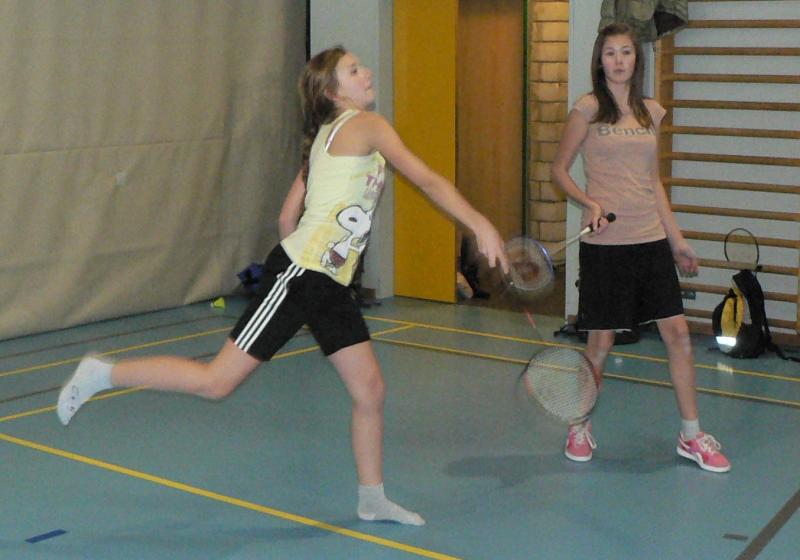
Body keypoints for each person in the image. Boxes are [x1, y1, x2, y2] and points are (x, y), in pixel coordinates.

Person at [57, 46, 510, 524]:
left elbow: (285, 217)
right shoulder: (366, 126)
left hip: (326, 283)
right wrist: (478, 223)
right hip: (303, 276)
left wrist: (317, 264)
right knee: (217, 382)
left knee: (370, 390)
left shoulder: (325, 138)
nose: (366, 73)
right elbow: (428, 181)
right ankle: (102, 374)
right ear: (333, 92)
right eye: (354, 70)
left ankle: (372, 498)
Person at [549, 23, 730, 473]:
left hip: (650, 240)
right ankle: (579, 426)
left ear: (637, 58)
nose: (618, 60)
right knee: (601, 342)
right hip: (606, 245)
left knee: (678, 335)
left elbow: (654, 182)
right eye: (610, 52)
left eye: (626, 52)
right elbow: (559, 170)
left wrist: (676, 239)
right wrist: (589, 202)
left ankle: (691, 435)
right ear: (600, 59)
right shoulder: (587, 109)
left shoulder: (651, 111)